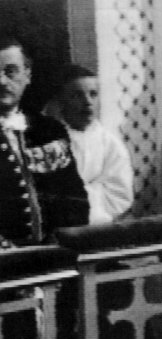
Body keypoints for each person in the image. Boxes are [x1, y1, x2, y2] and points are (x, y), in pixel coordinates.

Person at [0, 36, 88, 247]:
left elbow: (75, 199)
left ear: (27, 75)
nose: (1, 81)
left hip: (54, 261)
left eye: (11, 71)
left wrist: (58, 247)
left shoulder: (49, 130)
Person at [49, 64, 133, 225]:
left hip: (100, 225)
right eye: (77, 96)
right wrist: (92, 187)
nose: (87, 102)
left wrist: (78, 195)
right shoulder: (51, 140)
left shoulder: (109, 144)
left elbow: (119, 194)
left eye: (93, 94)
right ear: (61, 101)